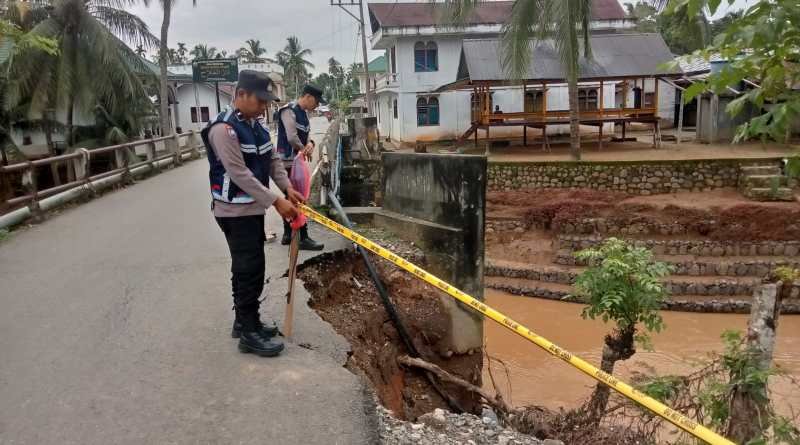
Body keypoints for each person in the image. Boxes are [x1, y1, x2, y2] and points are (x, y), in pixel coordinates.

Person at [203, 70, 305, 358]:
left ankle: (245, 321)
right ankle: (248, 332)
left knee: (247, 266)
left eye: (266, 102)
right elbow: (239, 174)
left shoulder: (256, 126)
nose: (264, 107)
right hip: (233, 211)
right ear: (241, 95)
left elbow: (271, 159)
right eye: (260, 101)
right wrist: (276, 201)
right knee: (249, 269)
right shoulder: (224, 129)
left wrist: (287, 188)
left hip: (251, 209)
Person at [276, 85, 325, 250]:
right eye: (317, 102)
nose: (317, 106)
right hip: (288, 162)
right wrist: (304, 149)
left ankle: (288, 234)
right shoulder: (288, 111)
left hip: (297, 161)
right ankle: (302, 236)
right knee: (298, 197)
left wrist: (311, 143)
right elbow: (291, 136)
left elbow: (306, 135)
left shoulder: (303, 114)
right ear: (308, 97)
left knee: (292, 197)